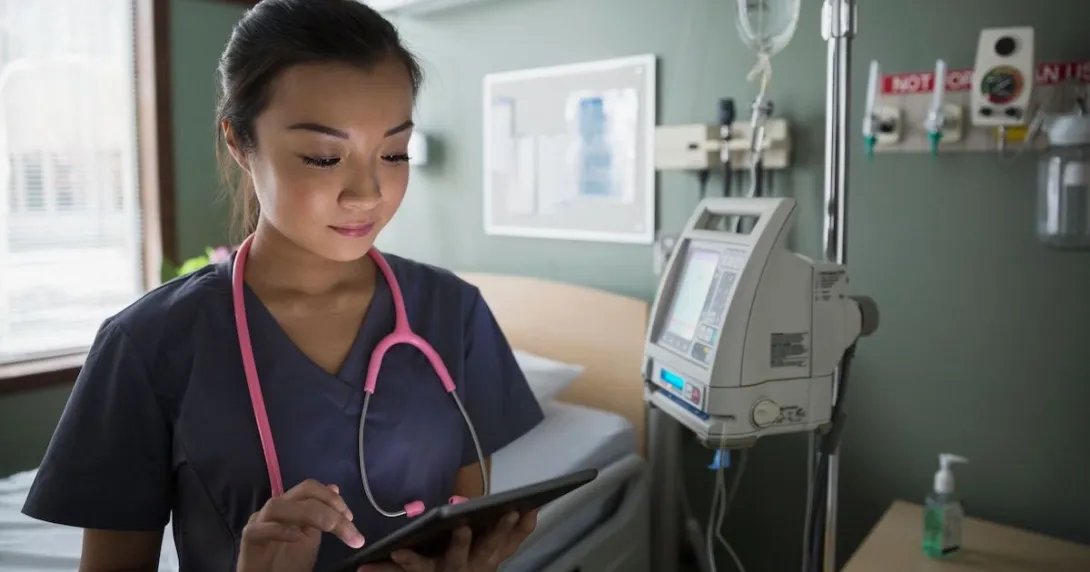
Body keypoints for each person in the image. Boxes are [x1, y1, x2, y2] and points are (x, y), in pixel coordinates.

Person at [20, 1, 546, 570]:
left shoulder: (453, 312)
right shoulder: (147, 343)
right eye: (323, 157)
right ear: (239, 143)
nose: (367, 193)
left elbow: (467, 517)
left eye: (394, 152)